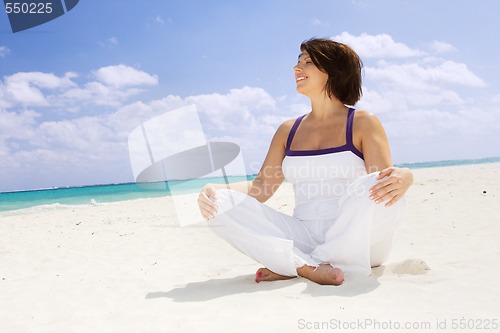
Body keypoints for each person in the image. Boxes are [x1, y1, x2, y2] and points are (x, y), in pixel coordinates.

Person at [197, 38, 413, 286]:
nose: (296, 68)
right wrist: (215, 191)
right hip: (304, 236)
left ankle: (294, 264)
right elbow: (261, 188)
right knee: (220, 205)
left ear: (334, 71)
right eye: (298, 62)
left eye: (308, 62)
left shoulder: (363, 122)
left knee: (377, 186)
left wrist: (406, 176)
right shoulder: (288, 130)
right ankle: (307, 266)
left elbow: (380, 183)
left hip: (361, 239)